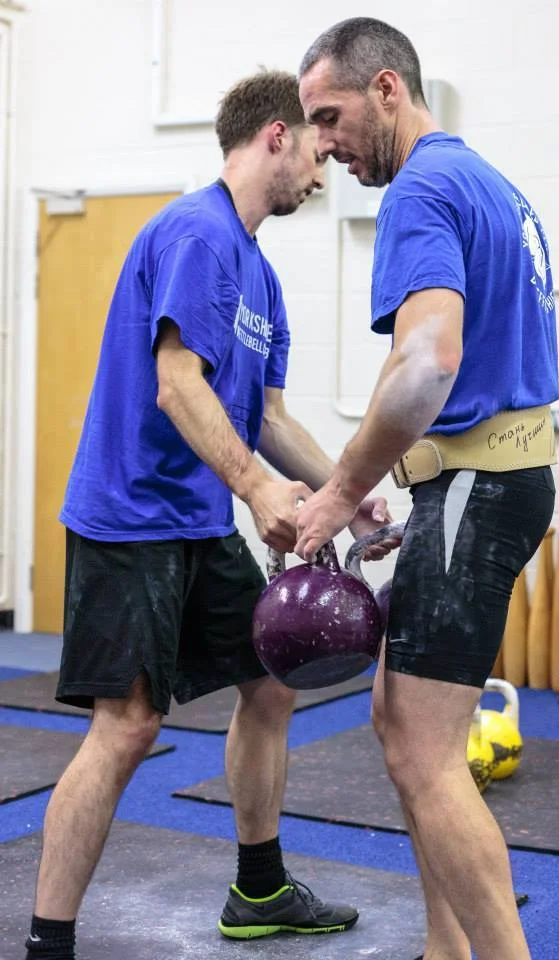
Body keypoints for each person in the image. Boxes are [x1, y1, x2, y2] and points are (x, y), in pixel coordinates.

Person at [23, 69, 393, 960]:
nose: (325, 168)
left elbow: (268, 419)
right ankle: (47, 941)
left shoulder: (260, 275)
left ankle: (259, 889)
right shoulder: (198, 234)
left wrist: (345, 497)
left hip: (195, 522)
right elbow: (177, 383)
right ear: (276, 136)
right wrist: (258, 490)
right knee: (127, 727)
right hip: (128, 522)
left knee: (269, 683)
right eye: (316, 150)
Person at [297, 19, 559, 960]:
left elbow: (426, 366)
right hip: (484, 484)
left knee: (424, 753)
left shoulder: (419, 189)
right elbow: (445, 366)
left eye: (330, 116)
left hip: (478, 491)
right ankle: (444, 949)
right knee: (399, 725)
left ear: (387, 89)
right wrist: (409, 489)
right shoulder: (488, 183)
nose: (323, 143)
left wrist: (338, 490)